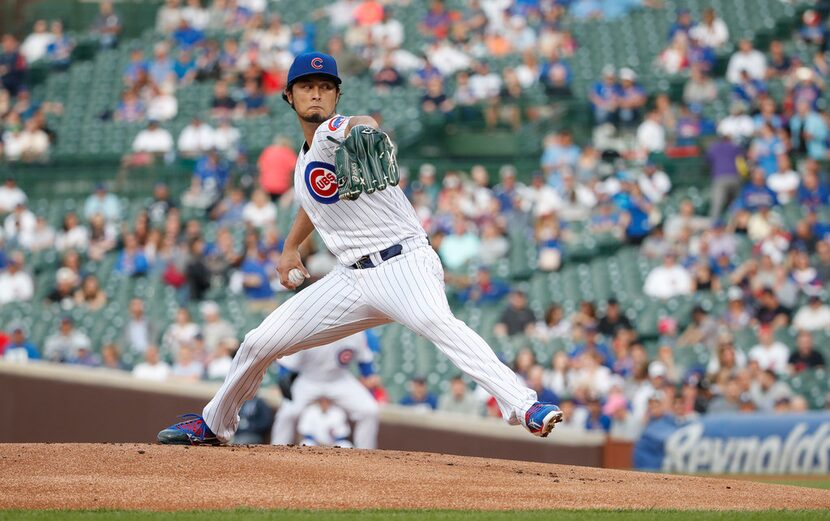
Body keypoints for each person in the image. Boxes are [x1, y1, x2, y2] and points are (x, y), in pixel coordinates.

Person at [157, 52, 562, 446]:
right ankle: (215, 423)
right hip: (351, 278)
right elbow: (312, 204)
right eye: (306, 86)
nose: (315, 93)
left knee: (439, 324)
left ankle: (525, 406)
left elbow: (360, 124)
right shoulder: (303, 162)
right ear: (289, 96)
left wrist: (365, 130)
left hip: (404, 263)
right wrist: (289, 249)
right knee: (259, 341)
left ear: (336, 96)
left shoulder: (335, 132)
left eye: (325, 87)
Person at [270, 332, 380, 449]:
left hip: (339, 379)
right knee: (287, 413)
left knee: (370, 410)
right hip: (309, 379)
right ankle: (276, 452)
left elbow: (364, 359)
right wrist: (284, 378)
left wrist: (369, 374)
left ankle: (366, 456)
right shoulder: (307, 330)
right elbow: (286, 364)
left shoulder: (356, 332)